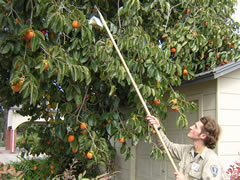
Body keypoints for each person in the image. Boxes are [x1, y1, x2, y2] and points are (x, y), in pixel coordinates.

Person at [147, 115, 227, 180]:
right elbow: (167, 147)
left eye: (195, 127)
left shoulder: (211, 160)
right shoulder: (187, 151)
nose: (191, 127)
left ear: (203, 135)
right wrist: (157, 128)